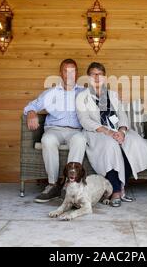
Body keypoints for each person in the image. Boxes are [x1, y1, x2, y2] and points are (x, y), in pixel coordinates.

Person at [76, 62, 147, 207]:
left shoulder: (112, 95)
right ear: (88, 77)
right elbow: (85, 120)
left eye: (100, 74)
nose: (97, 78)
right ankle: (115, 190)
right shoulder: (82, 97)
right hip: (96, 132)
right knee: (110, 145)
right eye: (93, 74)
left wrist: (121, 131)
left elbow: (122, 115)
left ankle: (121, 187)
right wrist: (107, 131)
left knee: (133, 141)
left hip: (116, 130)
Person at [24, 59, 87, 203]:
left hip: (75, 131)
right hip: (54, 130)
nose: (69, 75)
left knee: (81, 140)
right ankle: (52, 185)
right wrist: (32, 113)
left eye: (73, 71)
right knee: (47, 140)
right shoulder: (51, 93)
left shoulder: (84, 93)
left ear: (77, 73)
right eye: (66, 71)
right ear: (61, 73)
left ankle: (71, 186)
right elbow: (31, 106)